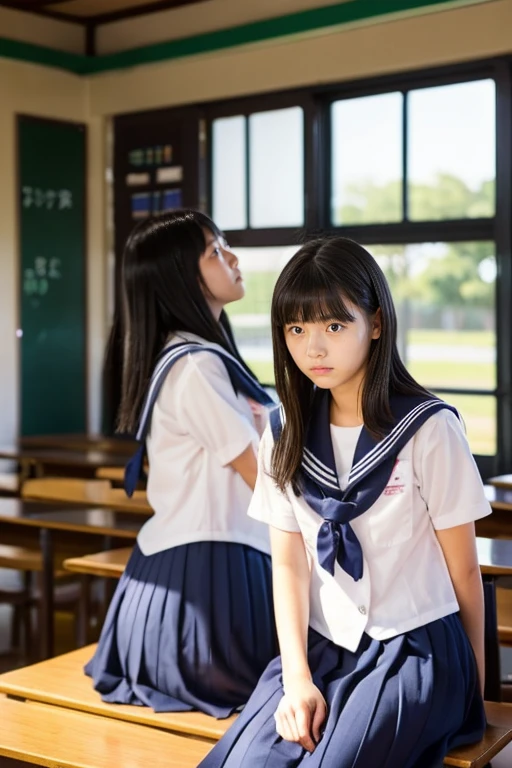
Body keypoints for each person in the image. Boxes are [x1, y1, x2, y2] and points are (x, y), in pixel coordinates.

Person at [199, 236, 489, 766]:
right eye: (297, 328)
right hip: (321, 647)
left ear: (375, 323)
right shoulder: (282, 432)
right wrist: (295, 679)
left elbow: (464, 572)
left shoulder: (429, 428)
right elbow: (288, 566)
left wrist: (472, 684)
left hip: (413, 647)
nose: (313, 348)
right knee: (245, 762)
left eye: (334, 326)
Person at [85, 210, 278, 717]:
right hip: (209, 588)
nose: (232, 258)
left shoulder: (190, 354)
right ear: (179, 275)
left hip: (181, 573)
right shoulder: (195, 364)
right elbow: (263, 480)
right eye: (215, 251)